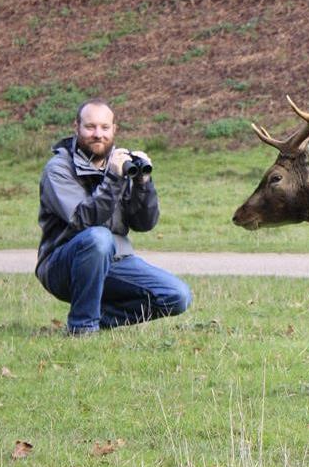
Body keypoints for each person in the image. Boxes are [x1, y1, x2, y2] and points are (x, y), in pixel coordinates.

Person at [36, 98, 192, 335]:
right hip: (63, 263)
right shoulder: (58, 168)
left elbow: (144, 223)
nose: (98, 134)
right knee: (98, 238)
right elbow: (82, 220)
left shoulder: (120, 164)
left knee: (177, 295)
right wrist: (113, 180)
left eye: (105, 127)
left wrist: (143, 183)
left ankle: (98, 319)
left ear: (114, 129)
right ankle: (82, 327)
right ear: (76, 127)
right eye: (90, 127)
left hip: (116, 262)